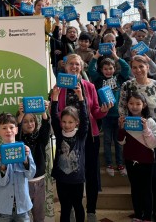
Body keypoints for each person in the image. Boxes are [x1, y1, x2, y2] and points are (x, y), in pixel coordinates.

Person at [56, 54, 112, 222]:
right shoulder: (59, 88)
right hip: (67, 137)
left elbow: (95, 110)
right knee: (68, 172)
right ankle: (70, 208)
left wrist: (104, 110)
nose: (74, 67)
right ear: (65, 67)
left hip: (89, 136)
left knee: (91, 174)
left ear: (81, 67)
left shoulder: (89, 86)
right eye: (71, 64)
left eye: (77, 64)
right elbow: (57, 112)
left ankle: (91, 210)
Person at [119, 55, 156, 222]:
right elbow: (122, 108)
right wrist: (125, 126)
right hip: (133, 136)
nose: (138, 70)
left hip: (153, 135)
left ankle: (155, 210)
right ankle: (140, 211)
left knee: (153, 176)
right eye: (134, 67)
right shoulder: (127, 85)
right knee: (139, 180)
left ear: (148, 67)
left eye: (141, 66)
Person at [89, 47, 131, 177]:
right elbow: (91, 69)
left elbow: (126, 69)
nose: (108, 71)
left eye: (110, 68)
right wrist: (96, 57)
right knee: (107, 141)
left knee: (119, 142)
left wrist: (116, 57)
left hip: (119, 116)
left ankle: (120, 164)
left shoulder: (119, 78)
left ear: (114, 69)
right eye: (105, 69)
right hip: (106, 116)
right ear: (101, 70)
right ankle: (109, 164)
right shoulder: (98, 79)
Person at [50, 85, 90, 222]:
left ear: (76, 123)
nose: (67, 125)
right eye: (64, 122)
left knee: (78, 206)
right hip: (62, 180)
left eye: (70, 122)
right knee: (65, 208)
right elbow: (54, 118)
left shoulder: (81, 135)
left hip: (77, 180)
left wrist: (81, 98)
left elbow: (85, 119)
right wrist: (54, 97)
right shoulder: (59, 134)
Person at [117, 92, 156, 221]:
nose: (134, 106)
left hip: (146, 161)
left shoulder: (150, 121)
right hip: (130, 159)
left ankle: (147, 217)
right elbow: (121, 141)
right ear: (127, 104)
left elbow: (153, 143)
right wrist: (121, 128)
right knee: (135, 188)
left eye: (138, 103)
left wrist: (145, 128)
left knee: (146, 189)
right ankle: (138, 215)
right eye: (131, 103)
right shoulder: (125, 120)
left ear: (144, 105)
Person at [0, 112, 36, 222]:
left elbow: (30, 175)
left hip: (23, 206)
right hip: (3, 208)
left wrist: (25, 159)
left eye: (11, 127)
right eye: (4, 128)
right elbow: (1, 181)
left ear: (16, 129)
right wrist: (3, 164)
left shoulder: (24, 149)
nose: (8, 130)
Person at [16, 101, 51, 222]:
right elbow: (17, 134)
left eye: (32, 121)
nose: (29, 124)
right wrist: (20, 115)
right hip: (23, 183)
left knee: (39, 215)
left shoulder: (40, 139)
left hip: (39, 182)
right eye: (25, 121)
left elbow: (46, 129)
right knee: (23, 216)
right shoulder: (19, 141)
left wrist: (44, 113)